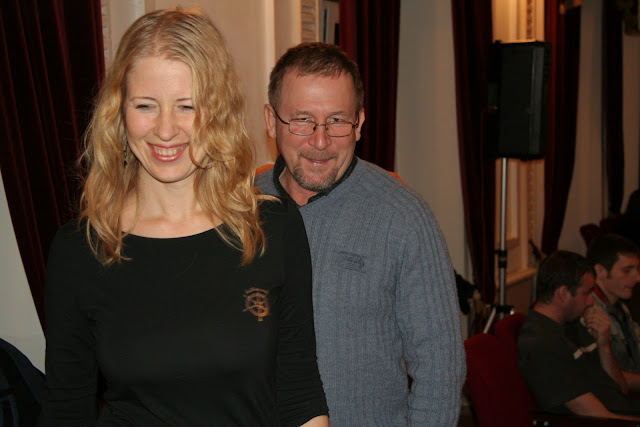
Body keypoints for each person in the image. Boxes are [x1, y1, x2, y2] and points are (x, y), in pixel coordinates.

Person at [40, 9, 328, 426]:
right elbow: (66, 408)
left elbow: (300, 390)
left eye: (186, 106)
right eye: (145, 105)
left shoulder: (272, 228)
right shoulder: (80, 249)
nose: (165, 129)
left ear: (218, 112)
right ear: (119, 111)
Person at [255, 42, 465, 425]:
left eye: (337, 120)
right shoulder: (239, 208)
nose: (320, 141)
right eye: (302, 120)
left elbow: (441, 367)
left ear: (360, 123)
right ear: (271, 121)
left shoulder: (402, 217)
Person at [518, 250, 640, 420]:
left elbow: (619, 389)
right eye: (587, 293)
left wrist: (604, 344)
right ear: (563, 294)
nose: (591, 301)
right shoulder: (542, 343)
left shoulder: (571, 324)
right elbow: (598, 416)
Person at [585, 233, 640, 372]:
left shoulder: (620, 306)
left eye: (637, 269)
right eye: (627, 271)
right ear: (600, 271)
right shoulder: (590, 313)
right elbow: (603, 374)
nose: (637, 278)